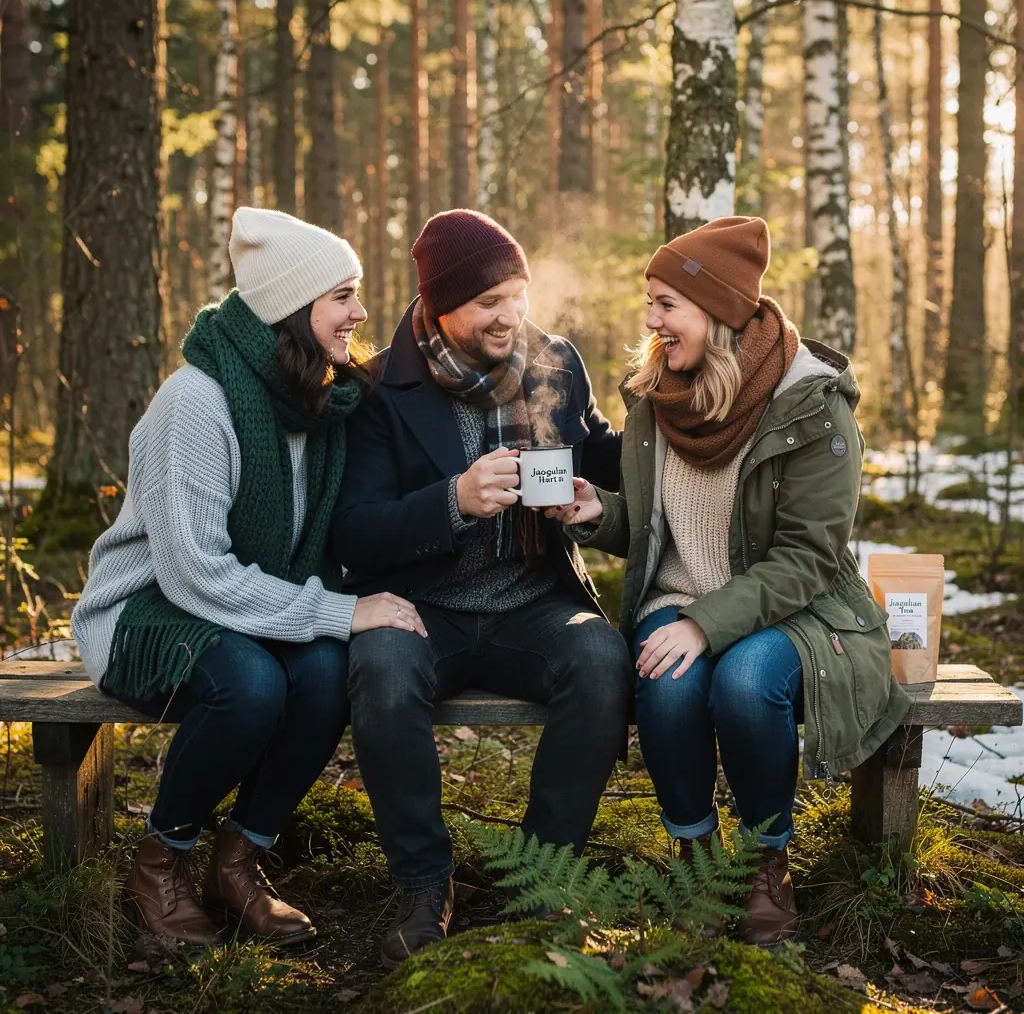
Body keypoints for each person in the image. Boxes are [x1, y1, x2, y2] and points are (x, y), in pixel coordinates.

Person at [551, 216, 910, 946]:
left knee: (745, 683)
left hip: (794, 608)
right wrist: (600, 514)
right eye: (649, 300)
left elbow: (810, 558)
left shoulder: (812, 407)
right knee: (668, 679)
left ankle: (762, 861)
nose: (650, 319)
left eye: (666, 304)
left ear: (716, 313)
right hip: (677, 597)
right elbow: (663, 525)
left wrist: (706, 625)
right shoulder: (657, 394)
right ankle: (696, 852)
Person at [72, 207, 427, 946]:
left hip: (243, 608)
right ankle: (160, 859)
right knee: (253, 686)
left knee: (330, 674)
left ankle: (238, 862)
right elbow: (194, 572)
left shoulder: (317, 405)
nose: (360, 313)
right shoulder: (197, 403)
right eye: (341, 296)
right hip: (148, 612)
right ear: (290, 310)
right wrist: (338, 610)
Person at [332, 209, 633, 968]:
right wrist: (452, 500)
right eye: (489, 302)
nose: (511, 316)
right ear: (439, 305)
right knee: (382, 668)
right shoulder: (379, 390)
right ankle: (425, 885)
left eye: (518, 294)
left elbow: (601, 448)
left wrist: (651, 436)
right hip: (420, 605)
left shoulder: (554, 362)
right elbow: (354, 531)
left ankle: (542, 878)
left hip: (533, 603)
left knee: (600, 659)